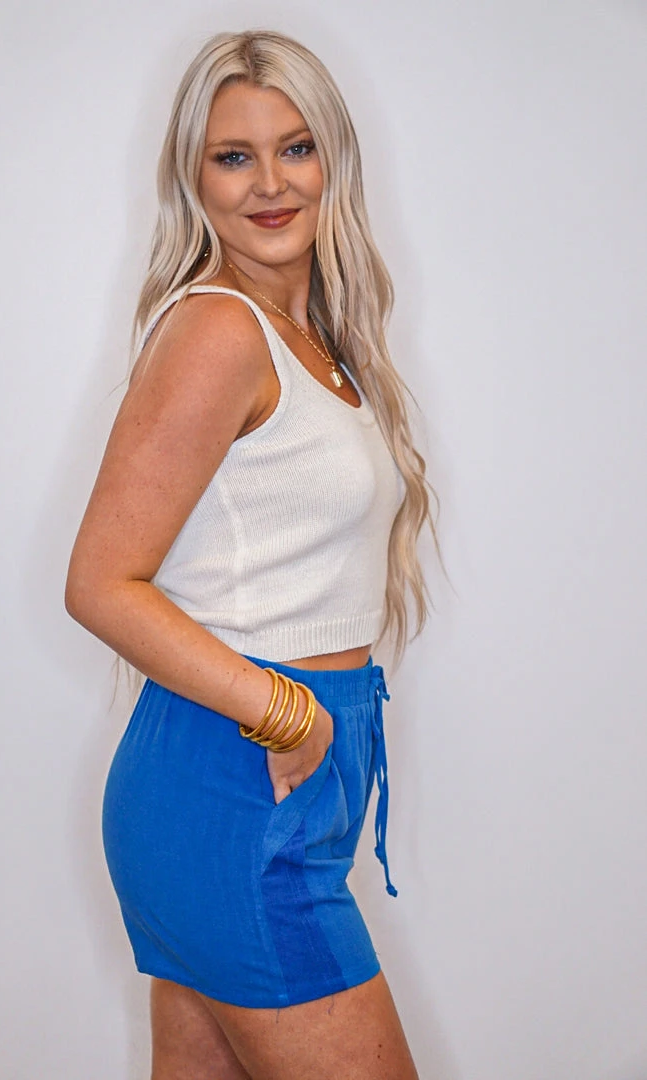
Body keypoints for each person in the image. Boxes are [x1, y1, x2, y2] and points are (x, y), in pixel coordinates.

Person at [66, 28, 434, 1080]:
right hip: (234, 777)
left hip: (264, 787)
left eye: (295, 147)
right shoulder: (219, 332)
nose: (270, 183)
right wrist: (287, 712)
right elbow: (98, 581)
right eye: (234, 156)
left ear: (333, 160)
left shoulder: (312, 341)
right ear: (194, 178)